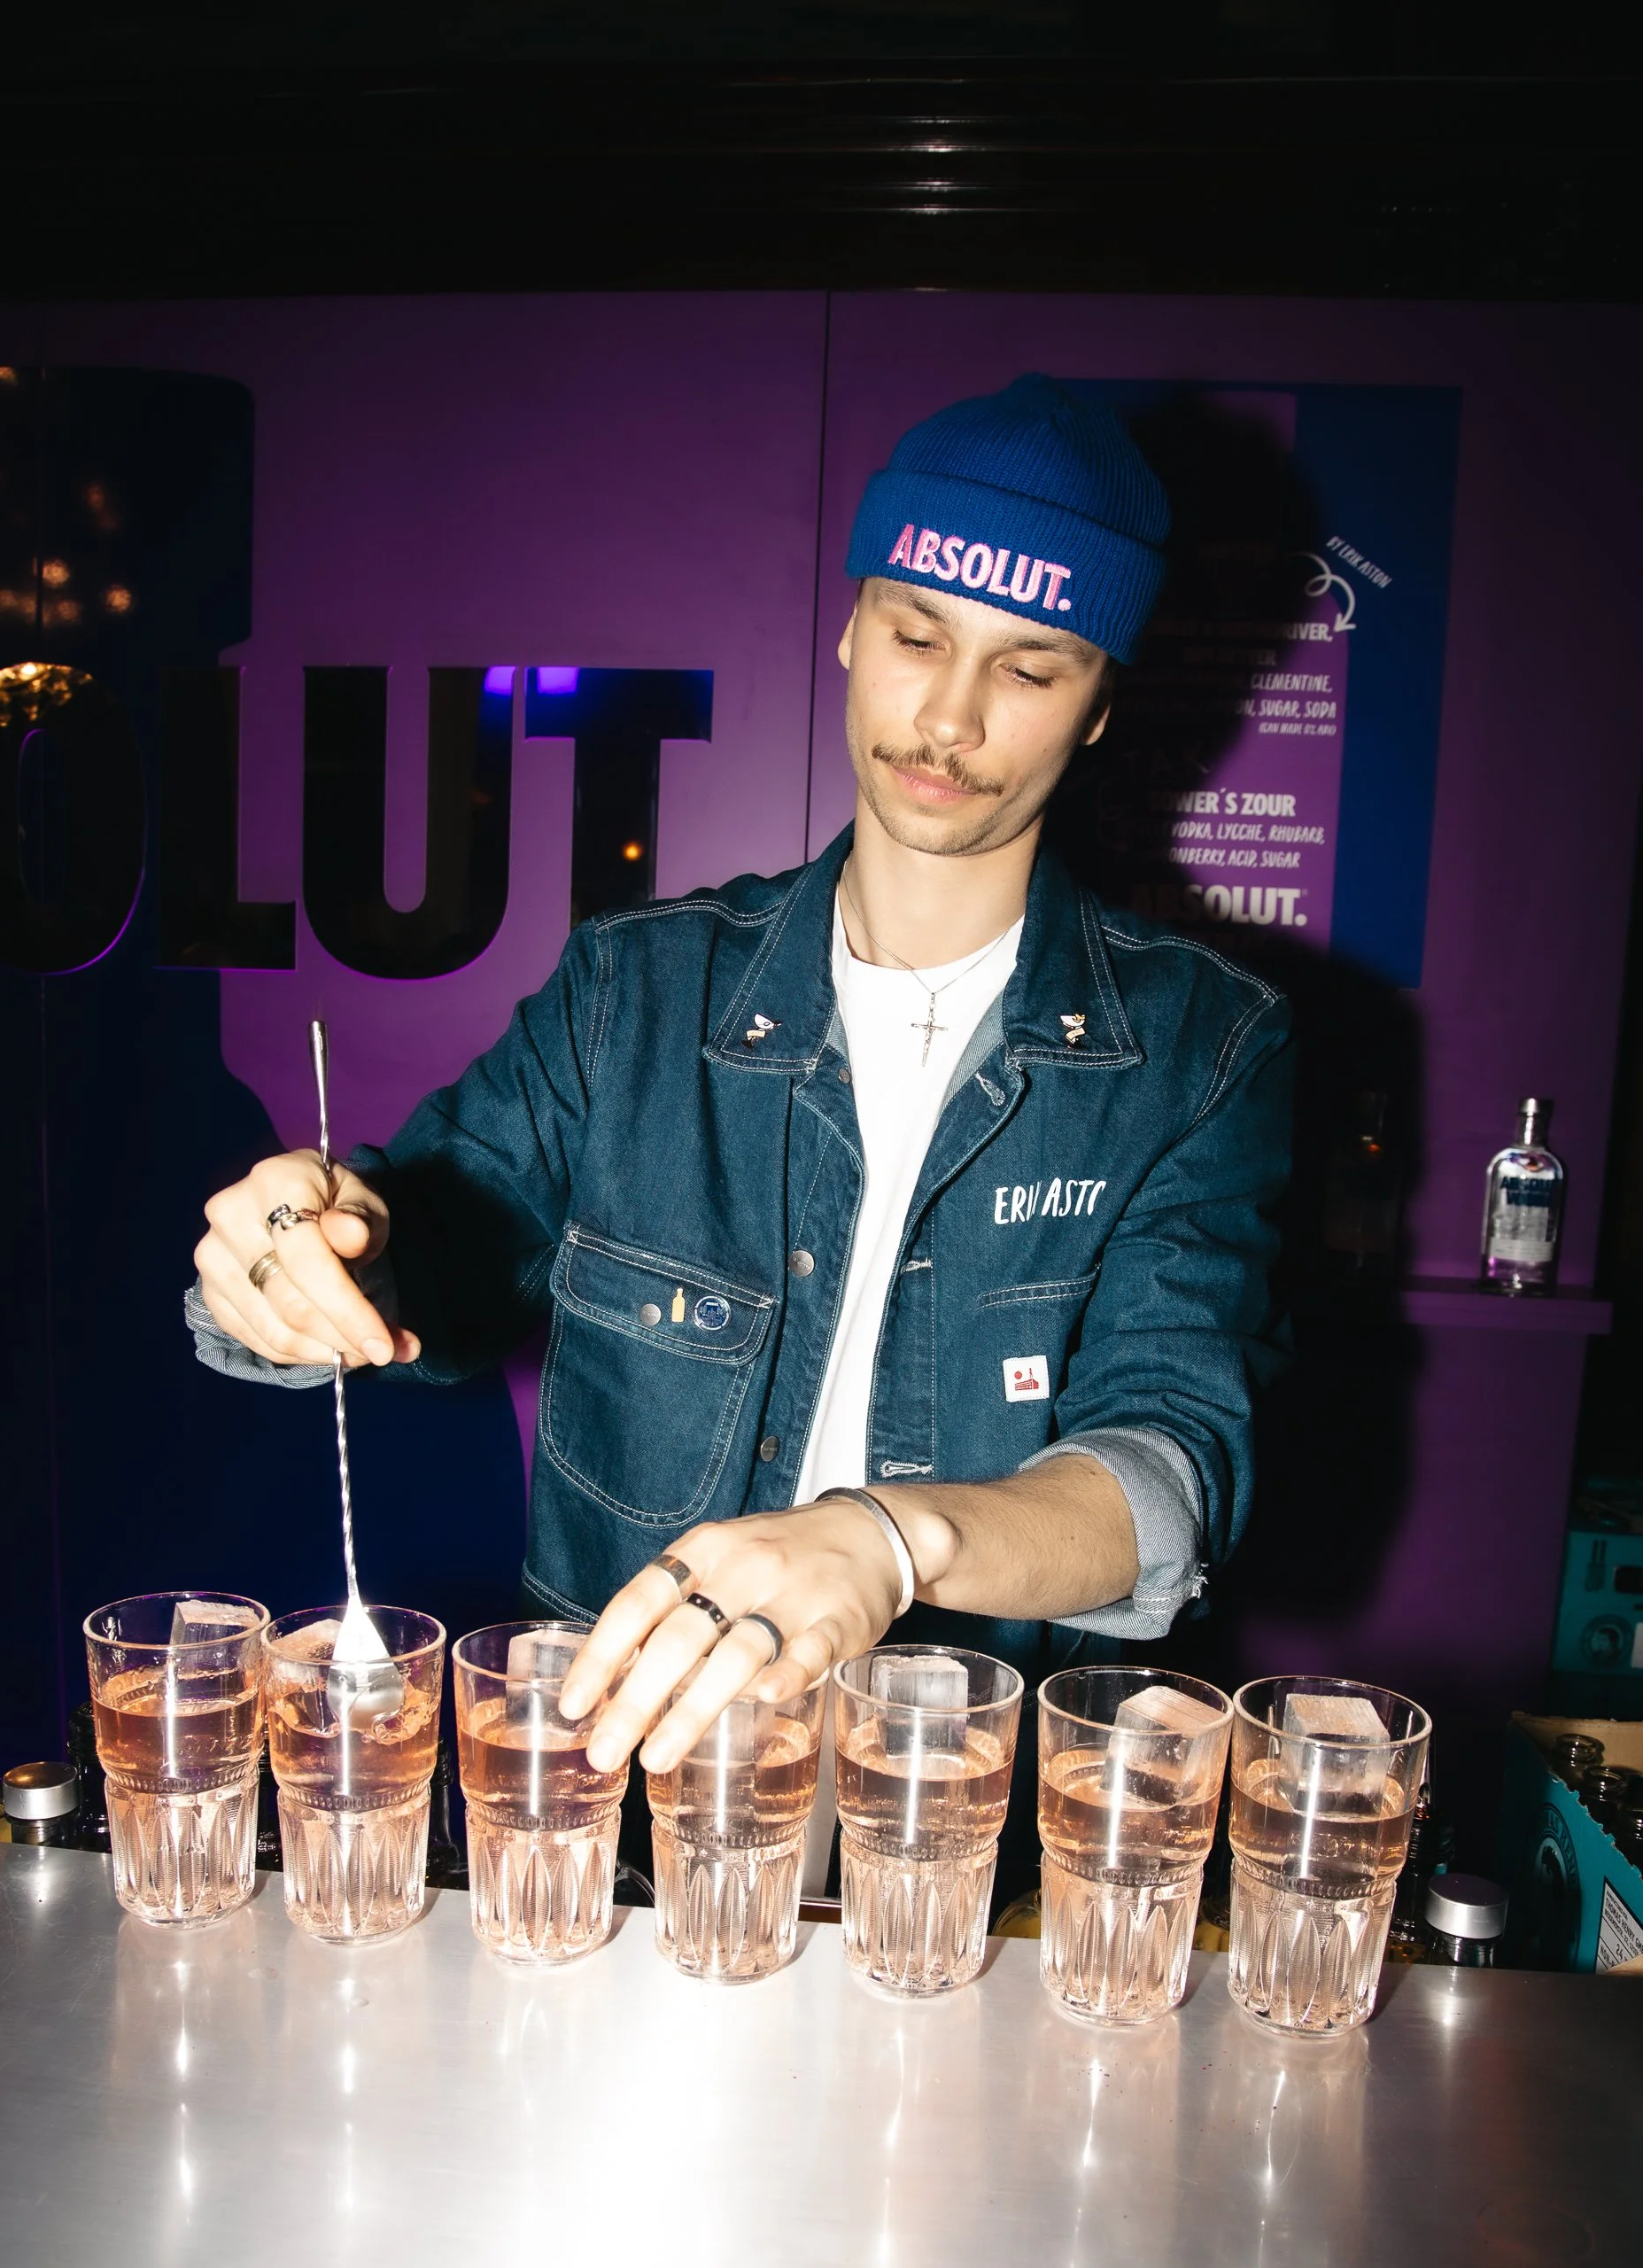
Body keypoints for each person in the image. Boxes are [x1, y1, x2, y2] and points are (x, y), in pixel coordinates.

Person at [190, 377, 1290, 1899]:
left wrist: (884, 1545)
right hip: (614, 1808)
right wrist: (307, 1253)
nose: (951, 719)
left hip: (961, 1837)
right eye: (917, 637)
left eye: (1028, 668)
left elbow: (1168, 1472)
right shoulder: (636, 988)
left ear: (1101, 705)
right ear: (850, 630)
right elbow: (437, 1238)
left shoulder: (1203, 1048)